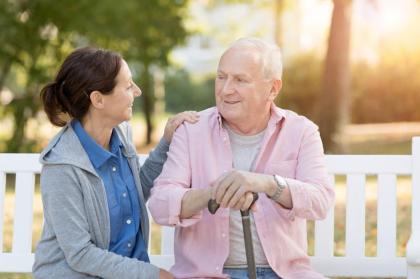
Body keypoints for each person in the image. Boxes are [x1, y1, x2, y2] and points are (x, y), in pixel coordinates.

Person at [148, 38, 335, 279]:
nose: (225, 90)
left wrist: (267, 183)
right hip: (206, 274)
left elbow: (320, 200)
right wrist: (213, 194)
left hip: (285, 273)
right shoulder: (191, 130)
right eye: (221, 77)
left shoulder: (301, 131)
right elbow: (160, 205)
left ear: (273, 88)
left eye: (240, 80)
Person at [33, 46, 199, 279]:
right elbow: (80, 254)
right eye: (129, 85)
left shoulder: (120, 135)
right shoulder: (62, 166)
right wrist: (154, 275)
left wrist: (166, 142)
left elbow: (131, 195)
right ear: (98, 99)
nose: (138, 91)